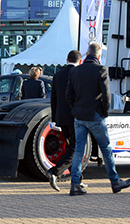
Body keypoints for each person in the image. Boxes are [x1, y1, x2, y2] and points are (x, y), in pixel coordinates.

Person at [66, 43, 130, 195]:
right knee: (106, 149)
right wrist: (105, 113)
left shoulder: (75, 71)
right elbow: (106, 95)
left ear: (87, 53)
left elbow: (68, 95)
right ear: (99, 56)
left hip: (79, 116)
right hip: (95, 115)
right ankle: (115, 182)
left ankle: (75, 184)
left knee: (79, 150)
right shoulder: (101, 69)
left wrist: (75, 109)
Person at [47, 50, 82, 192]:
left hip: (61, 117)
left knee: (70, 147)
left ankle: (77, 179)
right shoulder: (78, 74)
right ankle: (55, 172)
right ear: (80, 61)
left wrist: (55, 118)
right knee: (76, 147)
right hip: (74, 116)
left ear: (67, 60)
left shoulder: (58, 75)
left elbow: (53, 98)